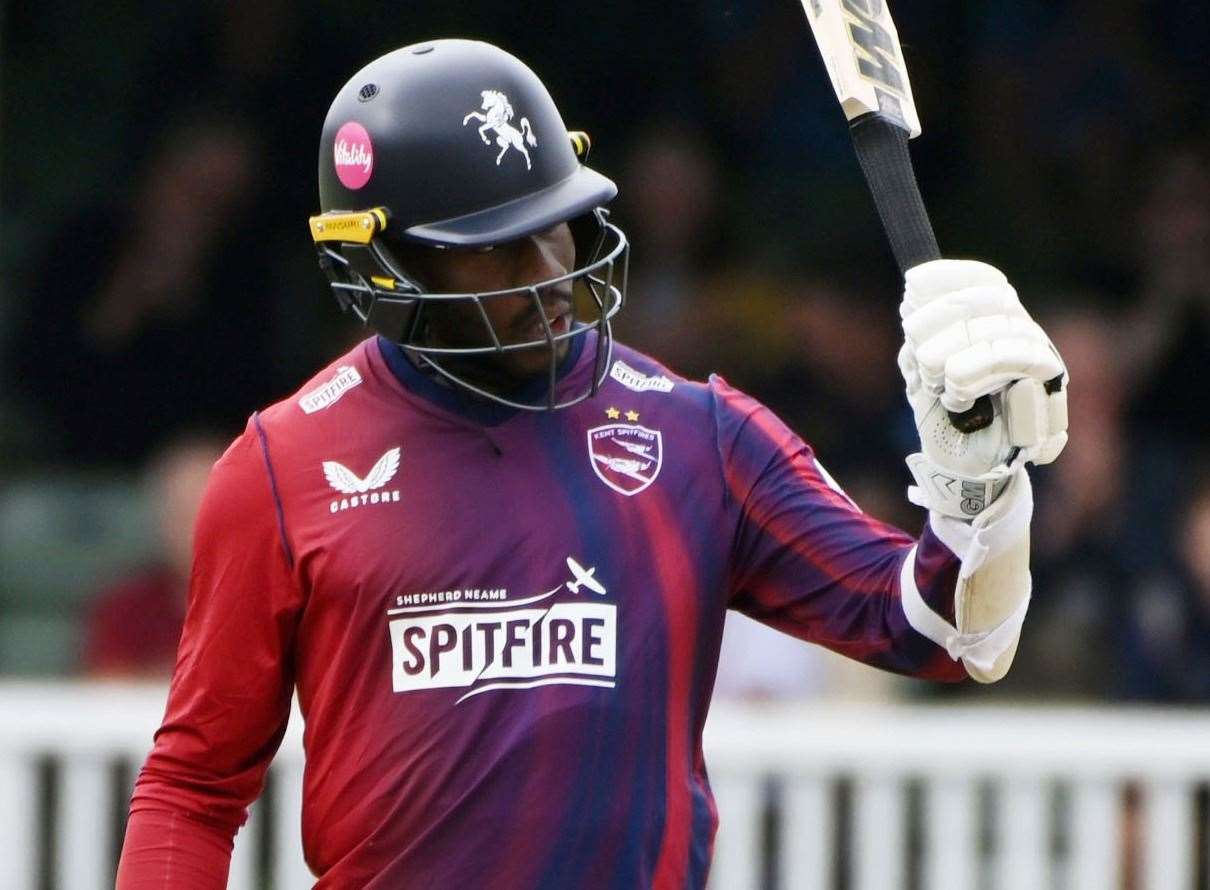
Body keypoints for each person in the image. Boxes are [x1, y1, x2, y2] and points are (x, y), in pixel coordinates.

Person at [116, 40, 1069, 888]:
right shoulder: (279, 468)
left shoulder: (700, 434)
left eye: (556, 222)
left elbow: (945, 638)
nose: (549, 270)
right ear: (385, 269)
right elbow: (195, 785)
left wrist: (978, 492)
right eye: (496, 248)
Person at [82, 431, 228, 678]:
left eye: (211, 516)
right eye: (182, 515)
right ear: (159, 520)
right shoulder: (125, 607)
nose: (196, 532)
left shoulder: (288, 602)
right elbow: (104, 696)